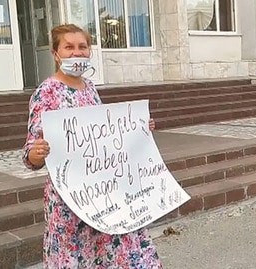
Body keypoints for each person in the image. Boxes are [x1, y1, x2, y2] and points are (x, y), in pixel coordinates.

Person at [22, 24, 162, 268]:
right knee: (78, 255)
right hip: (70, 198)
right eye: (69, 47)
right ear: (56, 54)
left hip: (104, 191)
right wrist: (36, 153)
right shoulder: (46, 92)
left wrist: (137, 127)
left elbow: (104, 135)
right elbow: (31, 151)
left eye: (82, 47)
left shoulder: (90, 88)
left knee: (118, 249)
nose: (76, 53)